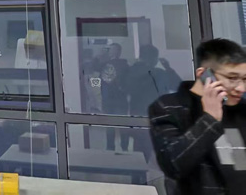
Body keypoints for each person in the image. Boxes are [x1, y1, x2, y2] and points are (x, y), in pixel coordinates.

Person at [149, 39, 246, 195]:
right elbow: (173, 166)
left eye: (245, 79)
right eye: (232, 78)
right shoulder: (170, 108)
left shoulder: (240, 110)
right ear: (205, 75)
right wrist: (210, 119)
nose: (241, 88)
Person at [100, 43, 129, 150]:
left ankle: (123, 147)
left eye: (113, 49)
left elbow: (126, 81)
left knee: (121, 125)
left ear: (118, 51)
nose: (111, 51)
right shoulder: (103, 64)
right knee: (110, 126)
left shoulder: (123, 64)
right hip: (108, 99)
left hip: (118, 99)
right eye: (110, 49)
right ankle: (111, 148)